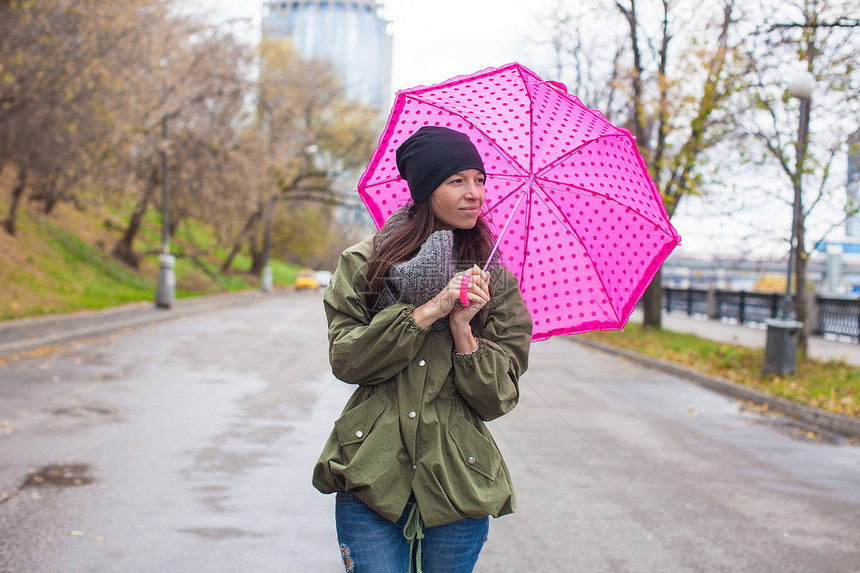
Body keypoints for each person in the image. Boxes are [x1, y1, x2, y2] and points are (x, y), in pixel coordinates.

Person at [313, 126, 532, 573]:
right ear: (425, 189)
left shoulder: (496, 280)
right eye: (457, 181)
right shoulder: (366, 263)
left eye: (480, 179)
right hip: (370, 475)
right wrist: (429, 310)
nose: (475, 193)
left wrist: (463, 331)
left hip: (457, 479)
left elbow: (498, 398)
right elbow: (348, 359)